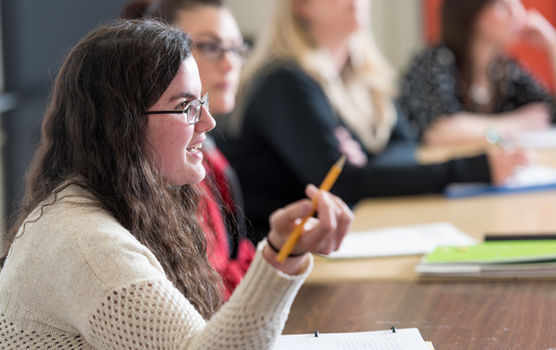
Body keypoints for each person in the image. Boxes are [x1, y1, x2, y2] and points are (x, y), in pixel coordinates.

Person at [0, 19, 352, 348]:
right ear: (120, 125)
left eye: (201, 103)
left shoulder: (128, 200)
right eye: (186, 107)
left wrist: (283, 253)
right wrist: (279, 257)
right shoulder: (88, 246)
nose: (208, 122)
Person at [215, 0, 529, 244]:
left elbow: (406, 147)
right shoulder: (284, 83)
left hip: (338, 241)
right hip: (284, 259)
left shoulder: (364, 78)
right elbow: (341, 184)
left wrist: (367, 167)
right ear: (301, 5)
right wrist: (475, 169)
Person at [122, 0, 255, 299]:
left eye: (236, 49)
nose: (230, 63)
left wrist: (280, 253)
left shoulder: (208, 151)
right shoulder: (166, 163)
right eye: (211, 47)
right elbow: (209, 292)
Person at [398, 0, 556, 146]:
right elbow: (439, 131)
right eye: (502, 4)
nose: (518, 13)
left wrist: (555, 46)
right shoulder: (436, 60)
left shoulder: (503, 70)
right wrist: (516, 124)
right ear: (472, 12)